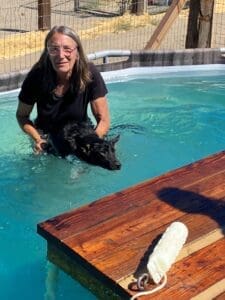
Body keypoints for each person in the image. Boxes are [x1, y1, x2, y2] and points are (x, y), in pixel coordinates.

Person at [16, 25, 110, 154]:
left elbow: (103, 120)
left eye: (67, 49)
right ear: (47, 53)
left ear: (77, 52)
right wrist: (38, 139)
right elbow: (22, 116)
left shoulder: (89, 73)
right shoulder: (37, 76)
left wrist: (90, 142)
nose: (61, 55)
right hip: (46, 138)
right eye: (54, 49)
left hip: (81, 133)